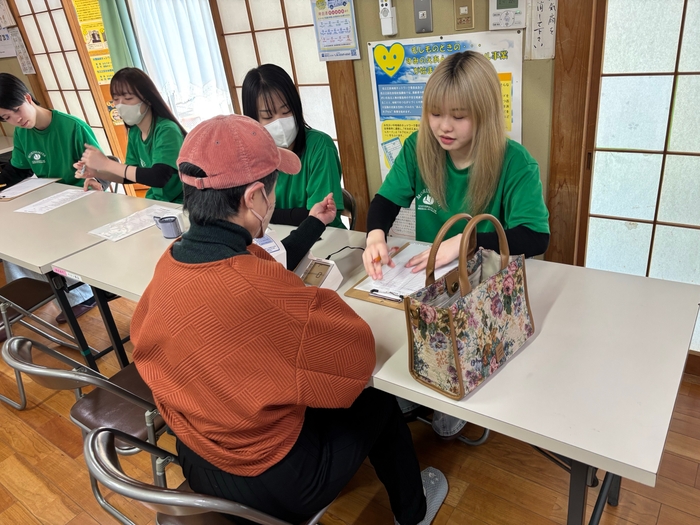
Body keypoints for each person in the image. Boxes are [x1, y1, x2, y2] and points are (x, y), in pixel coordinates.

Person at [131, 114, 448, 525]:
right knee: (377, 400)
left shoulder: (170, 262)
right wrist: (317, 304)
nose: (275, 198)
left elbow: (150, 342)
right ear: (254, 197)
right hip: (272, 478)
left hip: (197, 455)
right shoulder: (262, 291)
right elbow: (357, 357)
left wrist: (313, 224)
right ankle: (413, 512)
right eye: (273, 188)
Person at [362, 51, 550, 439]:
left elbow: (535, 236)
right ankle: (419, 389)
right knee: (398, 334)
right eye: (435, 113)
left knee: (462, 345)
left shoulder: (515, 163)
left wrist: (466, 242)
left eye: (459, 116)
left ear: (484, 114)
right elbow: (384, 202)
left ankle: (449, 396)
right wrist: (375, 235)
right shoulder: (419, 147)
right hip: (429, 278)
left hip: (480, 284)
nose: (443, 127)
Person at [0, 73, 101, 324]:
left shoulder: (73, 127)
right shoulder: (23, 133)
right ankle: (24, 299)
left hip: (82, 201)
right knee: (9, 236)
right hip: (50, 200)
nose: (16, 120)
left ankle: (82, 294)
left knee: (43, 233)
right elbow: (18, 170)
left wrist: (95, 177)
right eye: (7, 118)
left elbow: (103, 169)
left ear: (27, 98)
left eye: (16, 110)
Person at [242, 64, 346, 229]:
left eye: (286, 111)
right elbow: (241, 212)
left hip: (323, 236)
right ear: (253, 120)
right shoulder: (249, 156)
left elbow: (320, 216)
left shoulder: (320, 147)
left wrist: (266, 214)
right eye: (267, 116)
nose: (279, 122)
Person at [76, 68, 186, 203]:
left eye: (128, 98)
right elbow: (129, 174)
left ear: (148, 99)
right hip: (158, 202)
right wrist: (96, 173)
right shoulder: (135, 132)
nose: (121, 105)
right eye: (116, 99)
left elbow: (159, 177)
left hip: (183, 203)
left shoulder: (167, 130)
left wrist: (106, 163)